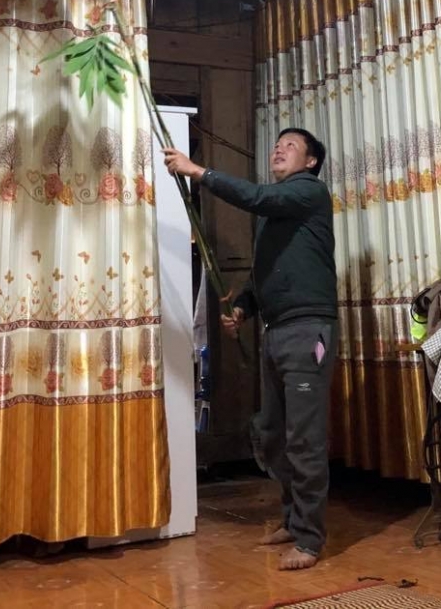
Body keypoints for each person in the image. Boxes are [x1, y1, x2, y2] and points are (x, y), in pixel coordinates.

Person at [162, 128, 338, 571]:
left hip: (308, 331)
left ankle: (309, 539)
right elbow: (266, 272)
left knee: (304, 438)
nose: (279, 148)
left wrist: (198, 172)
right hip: (277, 331)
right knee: (274, 433)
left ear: (311, 162)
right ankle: (292, 520)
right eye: (277, 143)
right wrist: (243, 306)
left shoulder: (308, 192)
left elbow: (258, 197)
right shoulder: (277, 212)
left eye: (291, 145)